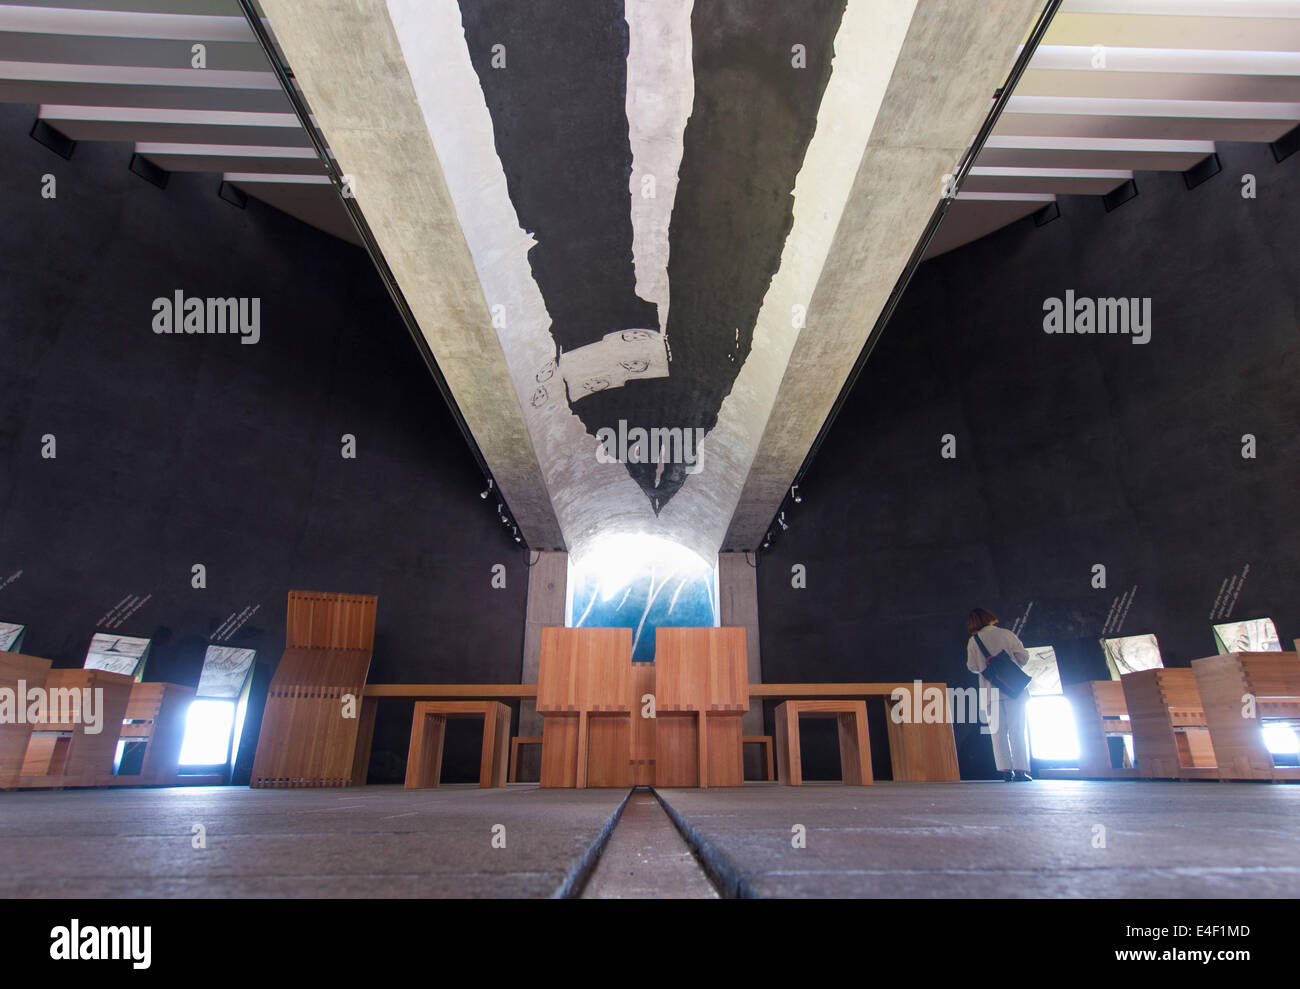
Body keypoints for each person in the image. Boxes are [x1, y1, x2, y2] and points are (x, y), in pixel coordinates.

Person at [965, 608, 1033, 781]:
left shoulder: (973, 641)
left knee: (997, 732)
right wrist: (1010, 664)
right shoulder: (1006, 634)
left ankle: (1005, 770)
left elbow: (972, 667)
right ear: (990, 618)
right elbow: (1023, 657)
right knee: (1017, 729)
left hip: (990, 692)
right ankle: (1020, 770)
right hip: (1013, 689)